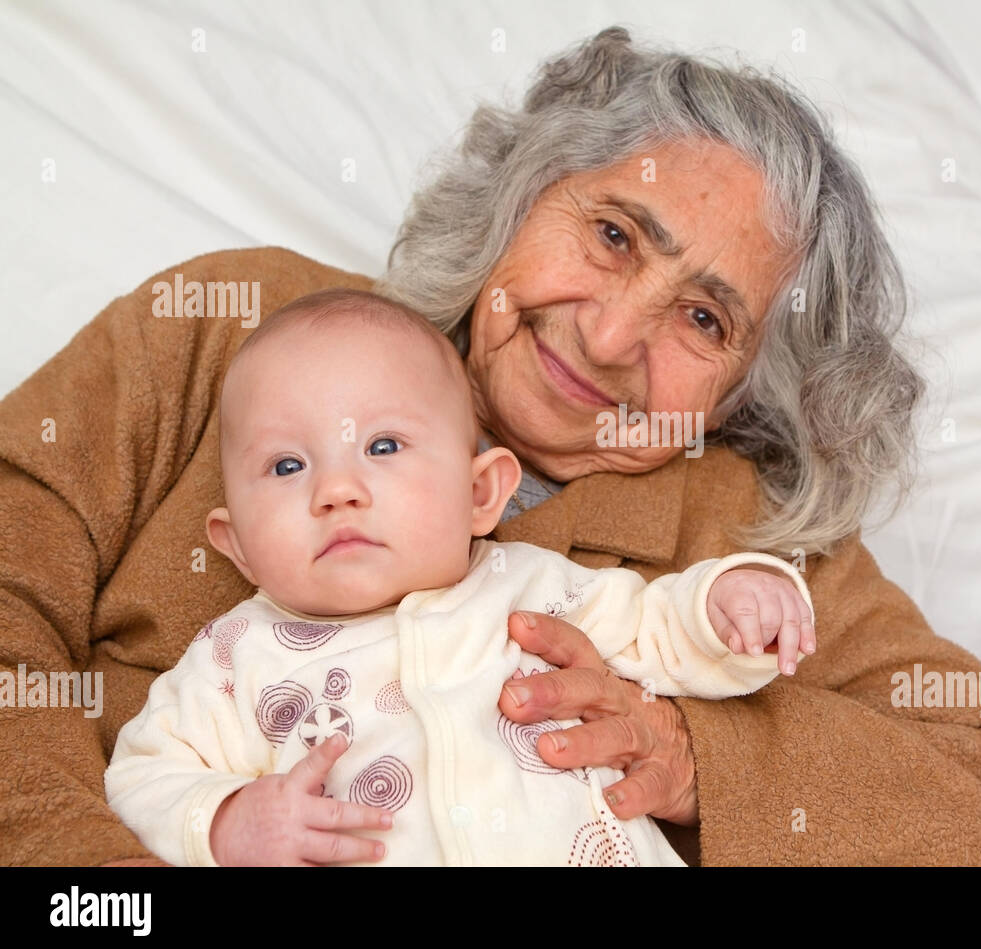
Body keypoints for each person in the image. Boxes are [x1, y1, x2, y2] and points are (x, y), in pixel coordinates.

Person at [0, 26, 981, 866]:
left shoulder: (742, 541)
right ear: (521, 198)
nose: (613, 335)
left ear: (740, 396)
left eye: (704, 320)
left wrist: (685, 754)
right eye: (613, 234)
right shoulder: (232, 332)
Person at [103, 289, 815, 866]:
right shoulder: (235, 659)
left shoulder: (535, 591)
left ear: (481, 494)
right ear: (239, 546)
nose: (337, 489)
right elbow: (142, 776)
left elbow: (659, 629)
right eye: (288, 466)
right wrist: (227, 823)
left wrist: (730, 599)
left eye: (383, 446)